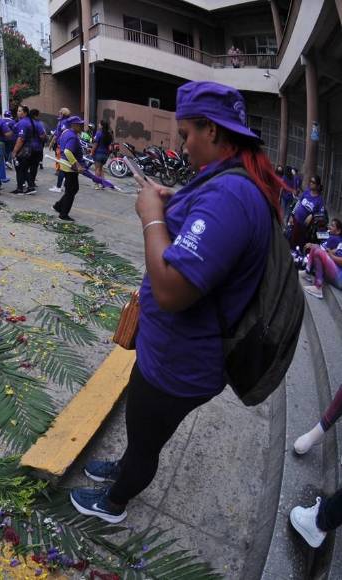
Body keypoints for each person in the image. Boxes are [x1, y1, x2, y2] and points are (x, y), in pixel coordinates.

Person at [70, 81, 281, 523]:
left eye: (186, 134)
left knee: (148, 437)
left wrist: (150, 218)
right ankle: (126, 466)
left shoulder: (230, 196)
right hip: (173, 352)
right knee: (142, 427)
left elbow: (171, 290)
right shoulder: (225, 180)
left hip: (180, 362)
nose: (182, 146)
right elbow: (202, 230)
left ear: (212, 130)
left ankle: (116, 501)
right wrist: (173, 201)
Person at [298, 218, 342, 299]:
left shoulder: (335, 238)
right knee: (315, 247)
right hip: (335, 270)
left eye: (332, 226)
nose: (329, 227)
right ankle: (307, 272)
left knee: (319, 252)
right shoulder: (337, 239)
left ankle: (318, 287)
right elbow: (336, 251)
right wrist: (330, 253)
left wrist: (330, 255)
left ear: (338, 231)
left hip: (340, 277)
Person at [52, 116, 85, 220]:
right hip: (69, 165)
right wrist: (77, 164)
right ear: (73, 125)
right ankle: (63, 214)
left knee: (71, 189)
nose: (81, 126)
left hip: (65, 163)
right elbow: (67, 151)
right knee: (71, 190)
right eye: (80, 124)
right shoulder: (72, 136)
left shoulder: (66, 132)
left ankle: (58, 206)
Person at [11, 105, 45, 195]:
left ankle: (22, 188)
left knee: (21, 169)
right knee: (27, 168)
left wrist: (14, 151)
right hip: (35, 149)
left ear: (25, 113)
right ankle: (29, 186)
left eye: (19, 111)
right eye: (18, 111)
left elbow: (21, 139)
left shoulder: (23, 122)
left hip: (24, 149)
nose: (18, 112)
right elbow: (42, 135)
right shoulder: (35, 122)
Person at [290, 175, 326, 248]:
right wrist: (292, 215)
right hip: (296, 220)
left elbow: (321, 215)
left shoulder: (320, 200)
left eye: (313, 182)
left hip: (305, 226)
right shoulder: (306, 192)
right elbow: (298, 203)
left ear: (318, 185)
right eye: (310, 181)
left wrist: (312, 215)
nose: (311, 183)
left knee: (300, 243)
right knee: (292, 239)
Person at [48, 108, 71, 193]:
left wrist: (51, 143)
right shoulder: (67, 121)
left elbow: (59, 134)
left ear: (63, 114)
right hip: (66, 145)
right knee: (65, 166)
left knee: (62, 166)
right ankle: (62, 184)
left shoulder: (63, 122)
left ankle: (59, 186)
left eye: (60, 113)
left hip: (62, 146)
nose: (58, 114)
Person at [92, 120, 113, 189]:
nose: (98, 124)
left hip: (98, 153)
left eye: (99, 124)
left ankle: (96, 184)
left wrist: (92, 152)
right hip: (105, 155)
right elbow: (110, 147)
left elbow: (95, 144)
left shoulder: (99, 133)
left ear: (102, 125)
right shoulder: (109, 134)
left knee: (97, 169)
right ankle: (103, 183)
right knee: (101, 169)